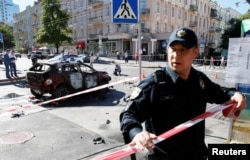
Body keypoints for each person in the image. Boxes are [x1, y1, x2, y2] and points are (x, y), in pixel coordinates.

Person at [120, 27, 247, 160]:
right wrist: (137, 134)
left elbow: (221, 93)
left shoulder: (199, 79)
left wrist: (236, 94)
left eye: (183, 50)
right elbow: (128, 114)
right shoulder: (154, 84)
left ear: (195, 52)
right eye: (173, 49)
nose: (176, 55)